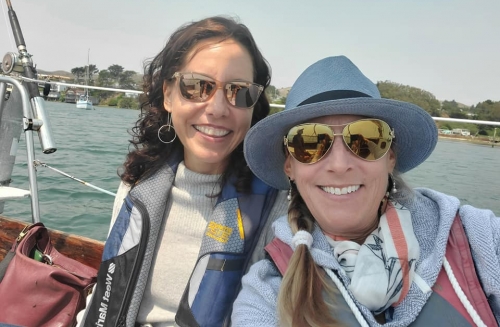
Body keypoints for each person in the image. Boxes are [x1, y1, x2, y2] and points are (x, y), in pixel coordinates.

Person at [232, 56, 500, 326]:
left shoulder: (478, 238)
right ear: (290, 166)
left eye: (366, 139)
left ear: (390, 157)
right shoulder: (267, 290)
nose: (339, 165)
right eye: (309, 142)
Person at [78, 16, 288, 327]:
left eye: (239, 91)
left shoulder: (277, 208)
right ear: (168, 94)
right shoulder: (138, 185)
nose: (217, 108)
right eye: (197, 86)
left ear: (253, 106)